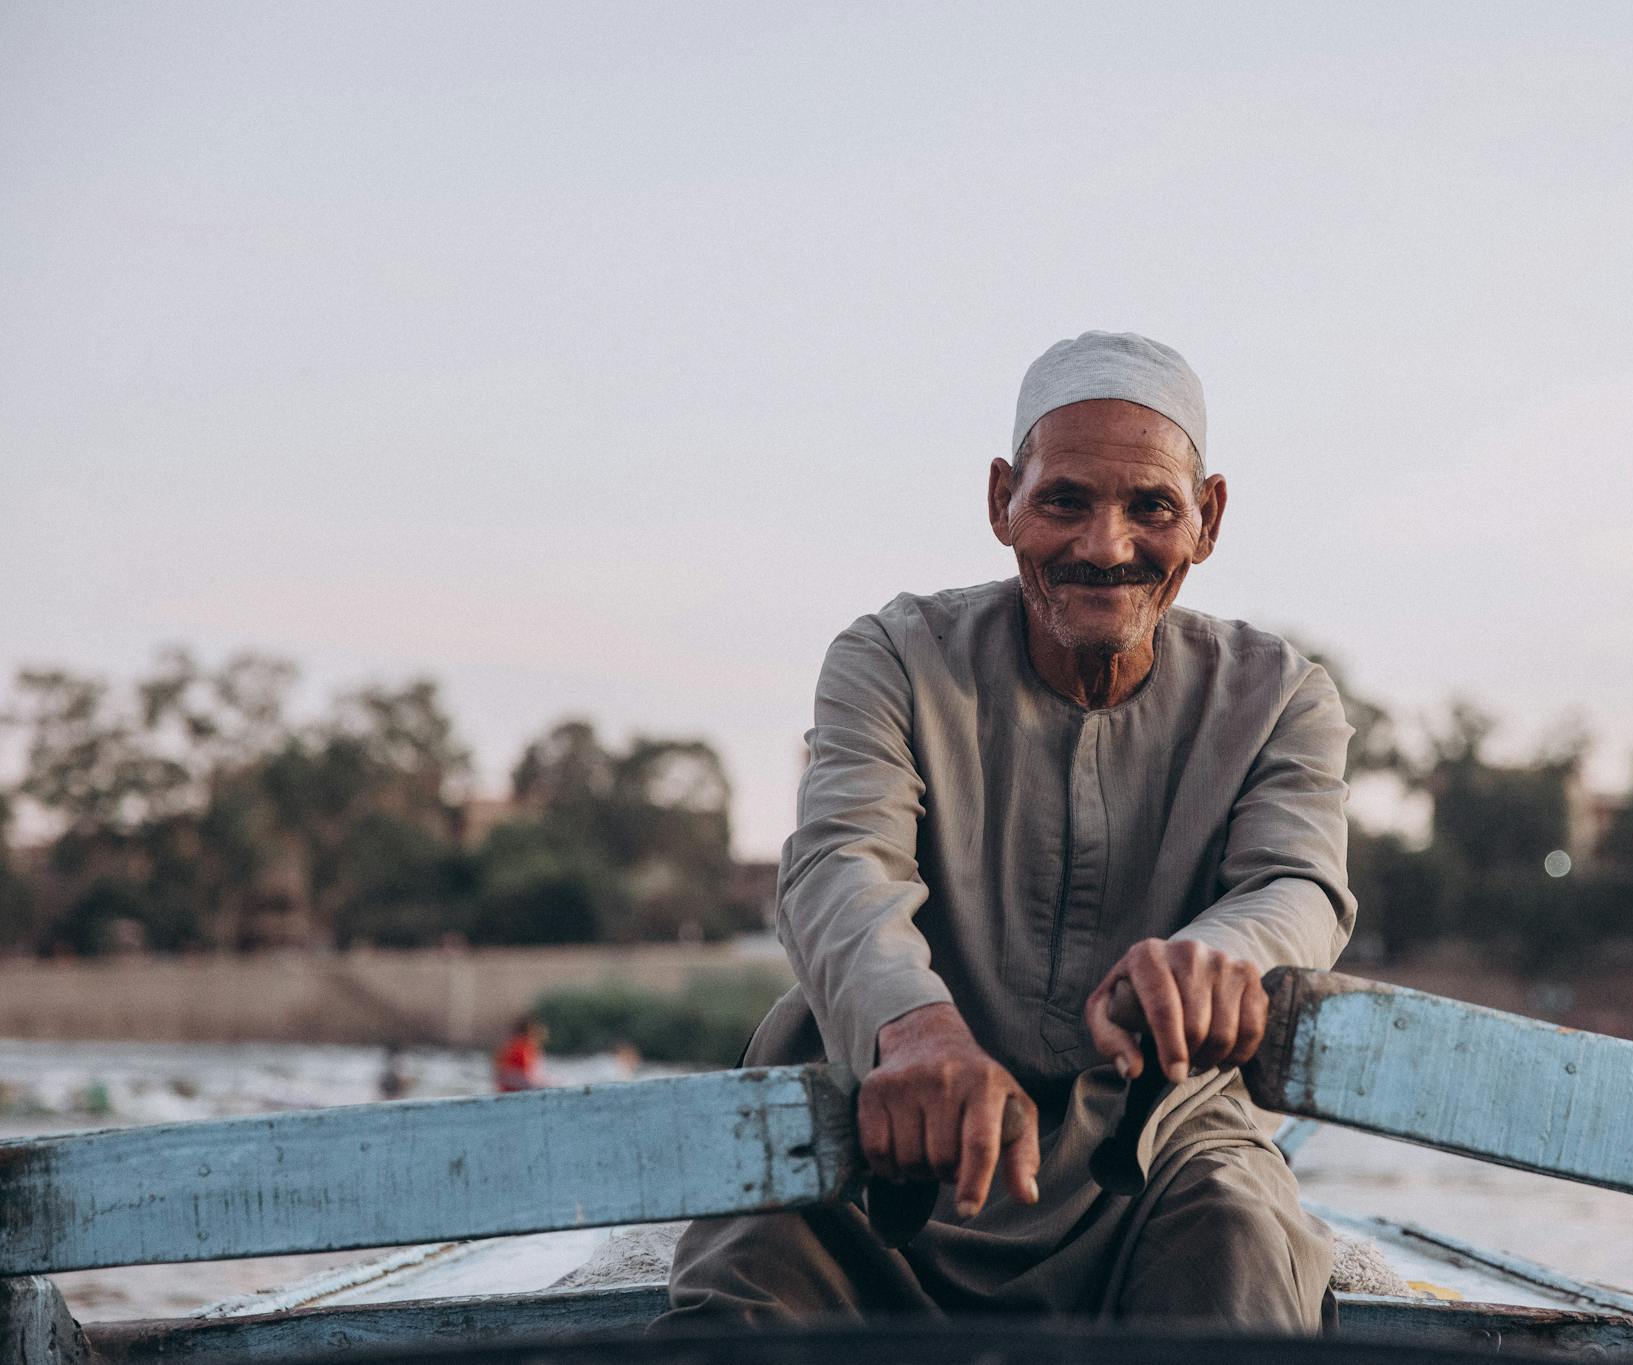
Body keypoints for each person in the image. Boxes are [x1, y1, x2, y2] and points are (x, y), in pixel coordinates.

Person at [664, 332, 1355, 1330]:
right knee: (748, 1286)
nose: (1105, 549)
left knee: (1240, 1243)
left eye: (1150, 508)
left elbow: (1297, 885)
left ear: (1205, 521)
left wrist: (1217, 958)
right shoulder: (892, 658)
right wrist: (912, 1030)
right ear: (1002, 502)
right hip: (878, 1136)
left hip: (1155, 1155)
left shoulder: (1279, 695)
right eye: (1063, 500)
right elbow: (837, 865)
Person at [492, 1015, 547, 1093]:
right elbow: (507, 1076)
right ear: (531, 1032)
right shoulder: (520, 1049)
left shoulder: (511, 1047)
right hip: (514, 1093)